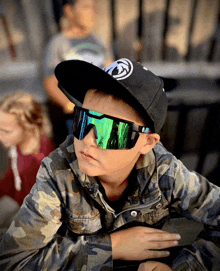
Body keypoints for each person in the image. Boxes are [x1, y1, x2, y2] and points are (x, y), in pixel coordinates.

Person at [0, 58, 220, 271]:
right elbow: (13, 260)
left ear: (147, 143)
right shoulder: (58, 174)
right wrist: (110, 247)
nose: (86, 141)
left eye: (111, 131)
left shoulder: (165, 172)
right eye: (83, 120)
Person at [43, 0, 114, 146]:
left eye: (94, 8)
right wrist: (71, 106)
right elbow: (50, 82)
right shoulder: (58, 44)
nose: (92, 14)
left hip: (104, 114)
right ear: (69, 11)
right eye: (86, 8)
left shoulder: (99, 40)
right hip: (77, 118)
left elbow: (111, 72)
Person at [0, 91, 54, 207]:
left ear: (28, 127)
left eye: (7, 131)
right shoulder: (18, 146)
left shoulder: (38, 161)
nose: (0, 136)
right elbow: (9, 181)